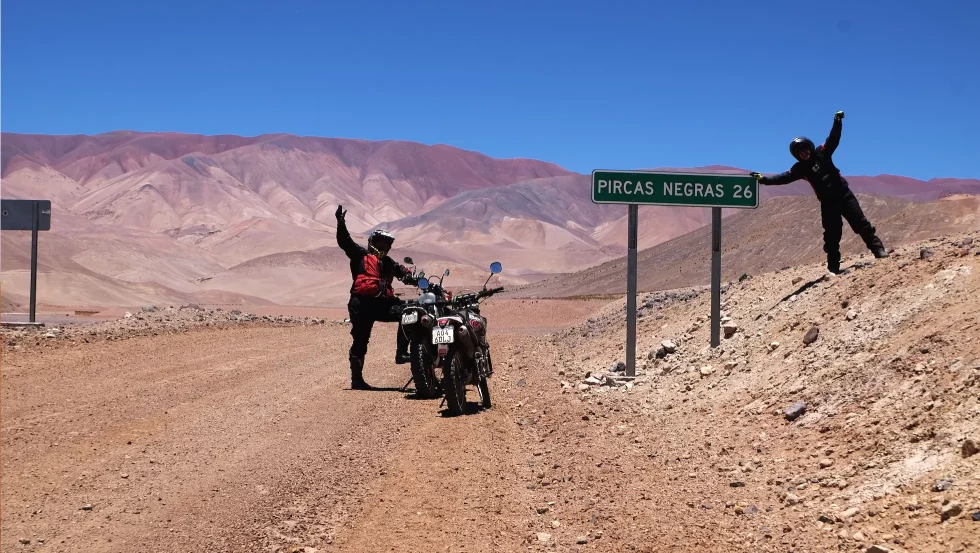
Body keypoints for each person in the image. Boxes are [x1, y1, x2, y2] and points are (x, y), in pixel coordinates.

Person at [750, 111, 889, 275]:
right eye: (799, 152)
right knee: (831, 235)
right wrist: (764, 180)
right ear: (797, 155)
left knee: (861, 223)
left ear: (809, 147)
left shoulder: (822, 152)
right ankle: (833, 268)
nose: (803, 153)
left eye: (804, 149)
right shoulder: (800, 169)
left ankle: (879, 251)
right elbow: (783, 178)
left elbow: (834, 139)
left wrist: (837, 121)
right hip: (828, 203)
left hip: (844, 195)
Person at [335, 205, 416, 390]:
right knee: (360, 340)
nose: (383, 247)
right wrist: (341, 224)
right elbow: (345, 242)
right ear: (372, 242)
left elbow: (406, 275)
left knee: (409, 312)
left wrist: (418, 280)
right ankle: (357, 380)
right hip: (361, 305)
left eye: (386, 245)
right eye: (380, 244)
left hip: (376, 305)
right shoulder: (360, 255)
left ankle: (401, 353)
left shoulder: (389, 263)